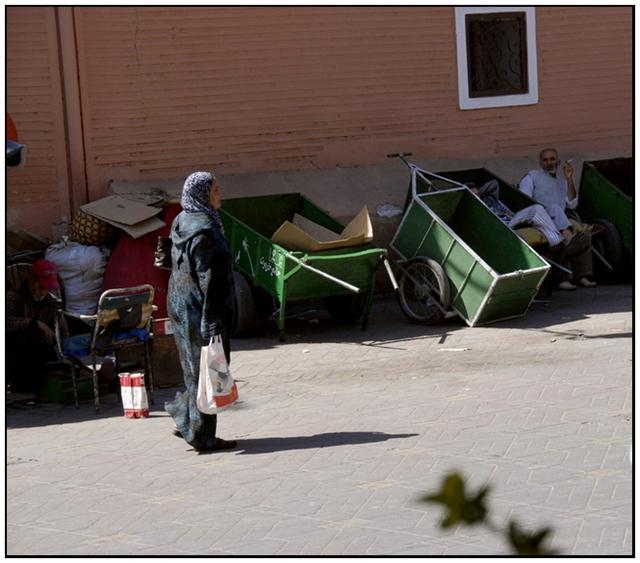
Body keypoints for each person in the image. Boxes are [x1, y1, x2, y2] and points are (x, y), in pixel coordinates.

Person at [164, 171, 237, 452]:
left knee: (194, 369)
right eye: (216, 190)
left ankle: (185, 419)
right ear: (203, 195)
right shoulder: (207, 232)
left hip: (180, 305)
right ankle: (201, 435)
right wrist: (214, 321)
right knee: (210, 373)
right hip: (201, 310)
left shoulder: (182, 220)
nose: (220, 195)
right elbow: (213, 281)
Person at [519, 148, 597, 290]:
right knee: (555, 214)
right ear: (540, 162)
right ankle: (562, 278)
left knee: (584, 237)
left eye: (552, 159)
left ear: (558, 162)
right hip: (540, 221)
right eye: (546, 160)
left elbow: (572, 204)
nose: (549, 163)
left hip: (560, 221)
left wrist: (569, 179)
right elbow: (525, 203)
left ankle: (582, 275)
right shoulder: (531, 177)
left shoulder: (563, 182)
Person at [6, 259, 62, 393]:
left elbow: (61, 329)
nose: (44, 292)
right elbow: (7, 322)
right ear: (32, 282)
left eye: (47, 288)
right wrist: (34, 323)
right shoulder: (14, 297)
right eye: (41, 287)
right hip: (16, 349)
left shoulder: (51, 302)